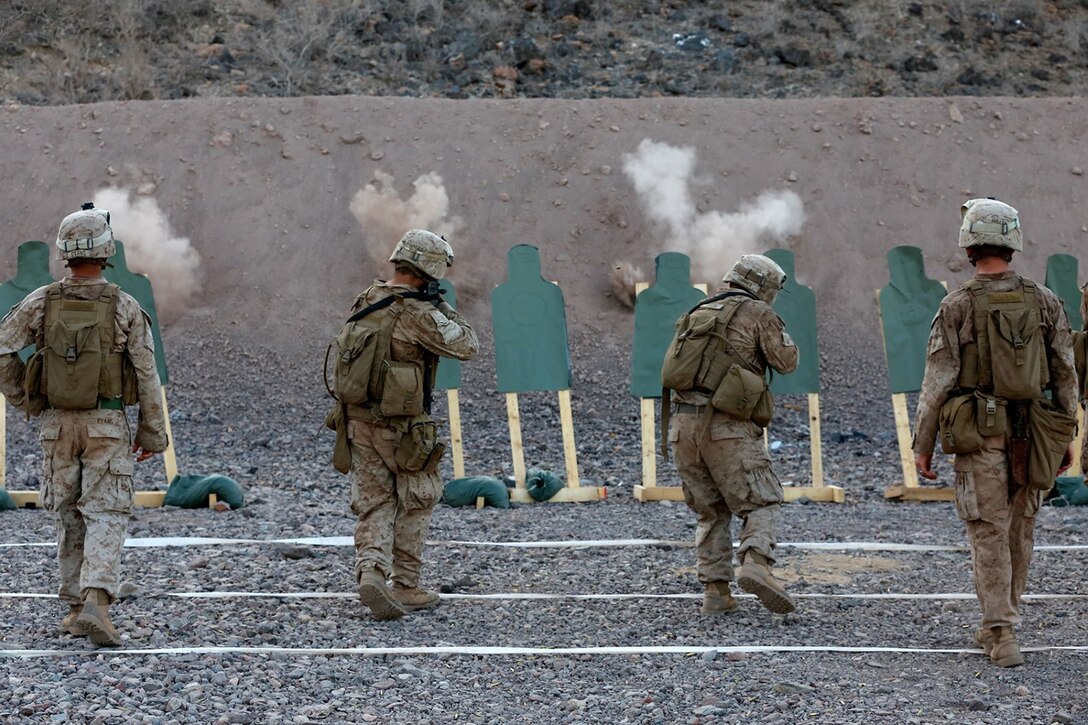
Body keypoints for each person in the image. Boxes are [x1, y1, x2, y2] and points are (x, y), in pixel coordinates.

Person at [913, 198, 1078, 668]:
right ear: (1013, 243)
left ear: (969, 245)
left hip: (978, 434)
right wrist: (1066, 435)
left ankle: (1000, 631)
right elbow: (1065, 373)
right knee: (1021, 529)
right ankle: (1005, 623)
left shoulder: (957, 304)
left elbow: (938, 380)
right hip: (1035, 431)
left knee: (989, 529)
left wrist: (923, 445)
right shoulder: (1045, 300)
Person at [0, 203, 168, 646]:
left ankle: (75, 607)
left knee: (67, 511)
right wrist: (152, 432)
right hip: (106, 422)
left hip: (56, 425)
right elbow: (146, 373)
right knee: (106, 510)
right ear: (106, 250)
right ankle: (96, 600)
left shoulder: (42, 300)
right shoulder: (125, 305)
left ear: (64, 251)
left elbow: (1, 347)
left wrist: (25, 397)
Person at [329, 229, 478, 621]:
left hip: (358, 421)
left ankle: (371, 572)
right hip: (404, 428)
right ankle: (406, 585)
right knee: (418, 497)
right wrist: (441, 306)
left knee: (374, 501)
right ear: (428, 271)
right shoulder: (418, 313)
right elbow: (467, 345)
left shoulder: (368, 298)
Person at [663, 254, 799, 615]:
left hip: (683, 428)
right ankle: (756, 562)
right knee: (762, 501)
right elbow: (786, 362)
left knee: (710, 510)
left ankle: (716, 593)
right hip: (726, 426)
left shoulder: (699, 311)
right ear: (763, 286)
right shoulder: (758, 312)